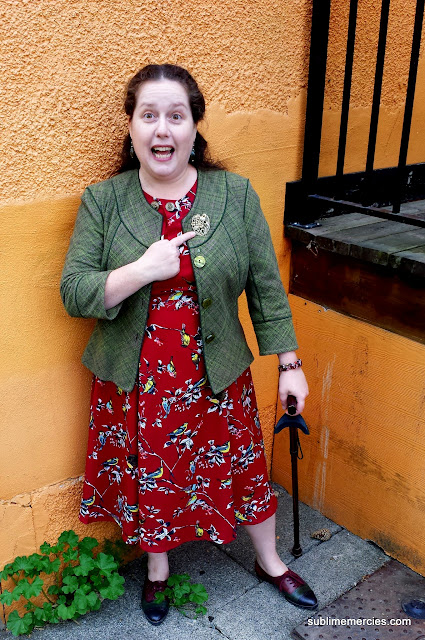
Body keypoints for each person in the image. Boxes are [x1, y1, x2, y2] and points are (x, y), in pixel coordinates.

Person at [60, 63, 317, 626]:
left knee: (243, 465)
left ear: (194, 125)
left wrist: (289, 363)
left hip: (216, 373)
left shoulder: (234, 195)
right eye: (148, 115)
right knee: (151, 474)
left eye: (176, 116)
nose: (162, 129)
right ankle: (157, 571)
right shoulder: (103, 201)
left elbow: (266, 287)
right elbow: (74, 292)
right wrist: (142, 270)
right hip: (138, 383)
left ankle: (270, 561)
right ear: (131, 126)